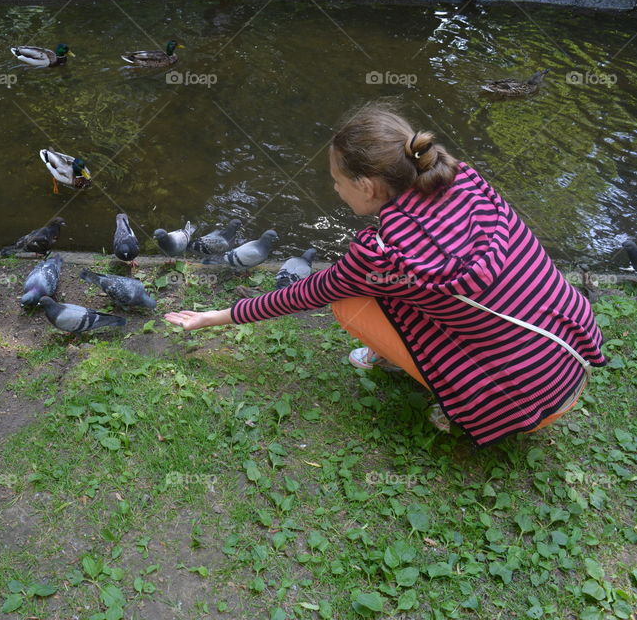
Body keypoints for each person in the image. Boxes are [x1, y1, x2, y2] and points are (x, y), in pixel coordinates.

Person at [164, 104, 606, 447]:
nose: (335, 190)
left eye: (337, 181)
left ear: (368, 187)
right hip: (574, 357)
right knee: (403, 294)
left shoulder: (383, 255)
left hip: (525, 403)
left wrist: (212, 317)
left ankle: (444, 392)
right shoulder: (468, 181)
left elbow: (297, 296)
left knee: (347, 301)